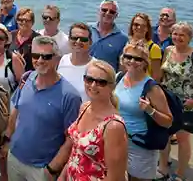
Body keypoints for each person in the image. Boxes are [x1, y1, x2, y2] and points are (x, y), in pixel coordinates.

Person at [4, 36, 82, 181]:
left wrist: (52, 169)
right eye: (35, 55)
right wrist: (7, 140)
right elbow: (16, 109)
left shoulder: (70, 96)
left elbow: (71, 138)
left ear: (57, 59)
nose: (40, 60)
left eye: (46, 56)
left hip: (41, 169)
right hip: (14, 159)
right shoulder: (26, 78)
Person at [114, 40, 172, 180]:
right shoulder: (119, 77)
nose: (132, 61)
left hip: (141, 146)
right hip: (118, 141)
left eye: (138, 59)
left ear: (145, 62)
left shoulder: (152, 88)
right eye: (128, 57)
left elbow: (168, 122)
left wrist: (150, 110)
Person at [60, 60, 127, 180]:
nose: (93, 85)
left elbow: (115, 176)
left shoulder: (113, 126)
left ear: (112, 87)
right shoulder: (84, 107)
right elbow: (76, 151)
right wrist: (62, 176)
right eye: (89, 79)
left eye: (101, 82)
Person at [158, 22, 193, 180]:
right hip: (166, 99)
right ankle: (163, 168)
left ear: (189, 38)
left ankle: (180, 174)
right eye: (175, 34)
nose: (178, 38)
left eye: (182, 35)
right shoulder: (168, 50)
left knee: (182, 138)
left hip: (186, 103)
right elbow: (162, 73)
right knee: (165, 134)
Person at [58, 23, 94, 100]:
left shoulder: (96, 66)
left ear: (90, 42)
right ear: (69, 39)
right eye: (74, 38)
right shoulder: (62, 60)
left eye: (83, 39)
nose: (78, 42)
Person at [89, 0, 128, 71]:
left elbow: (122, 67)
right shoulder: (87, 29)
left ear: (116, 15)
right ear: (99, 11)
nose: (107, 13)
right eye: (104, 10)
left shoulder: (123, 39)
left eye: (112, 12)